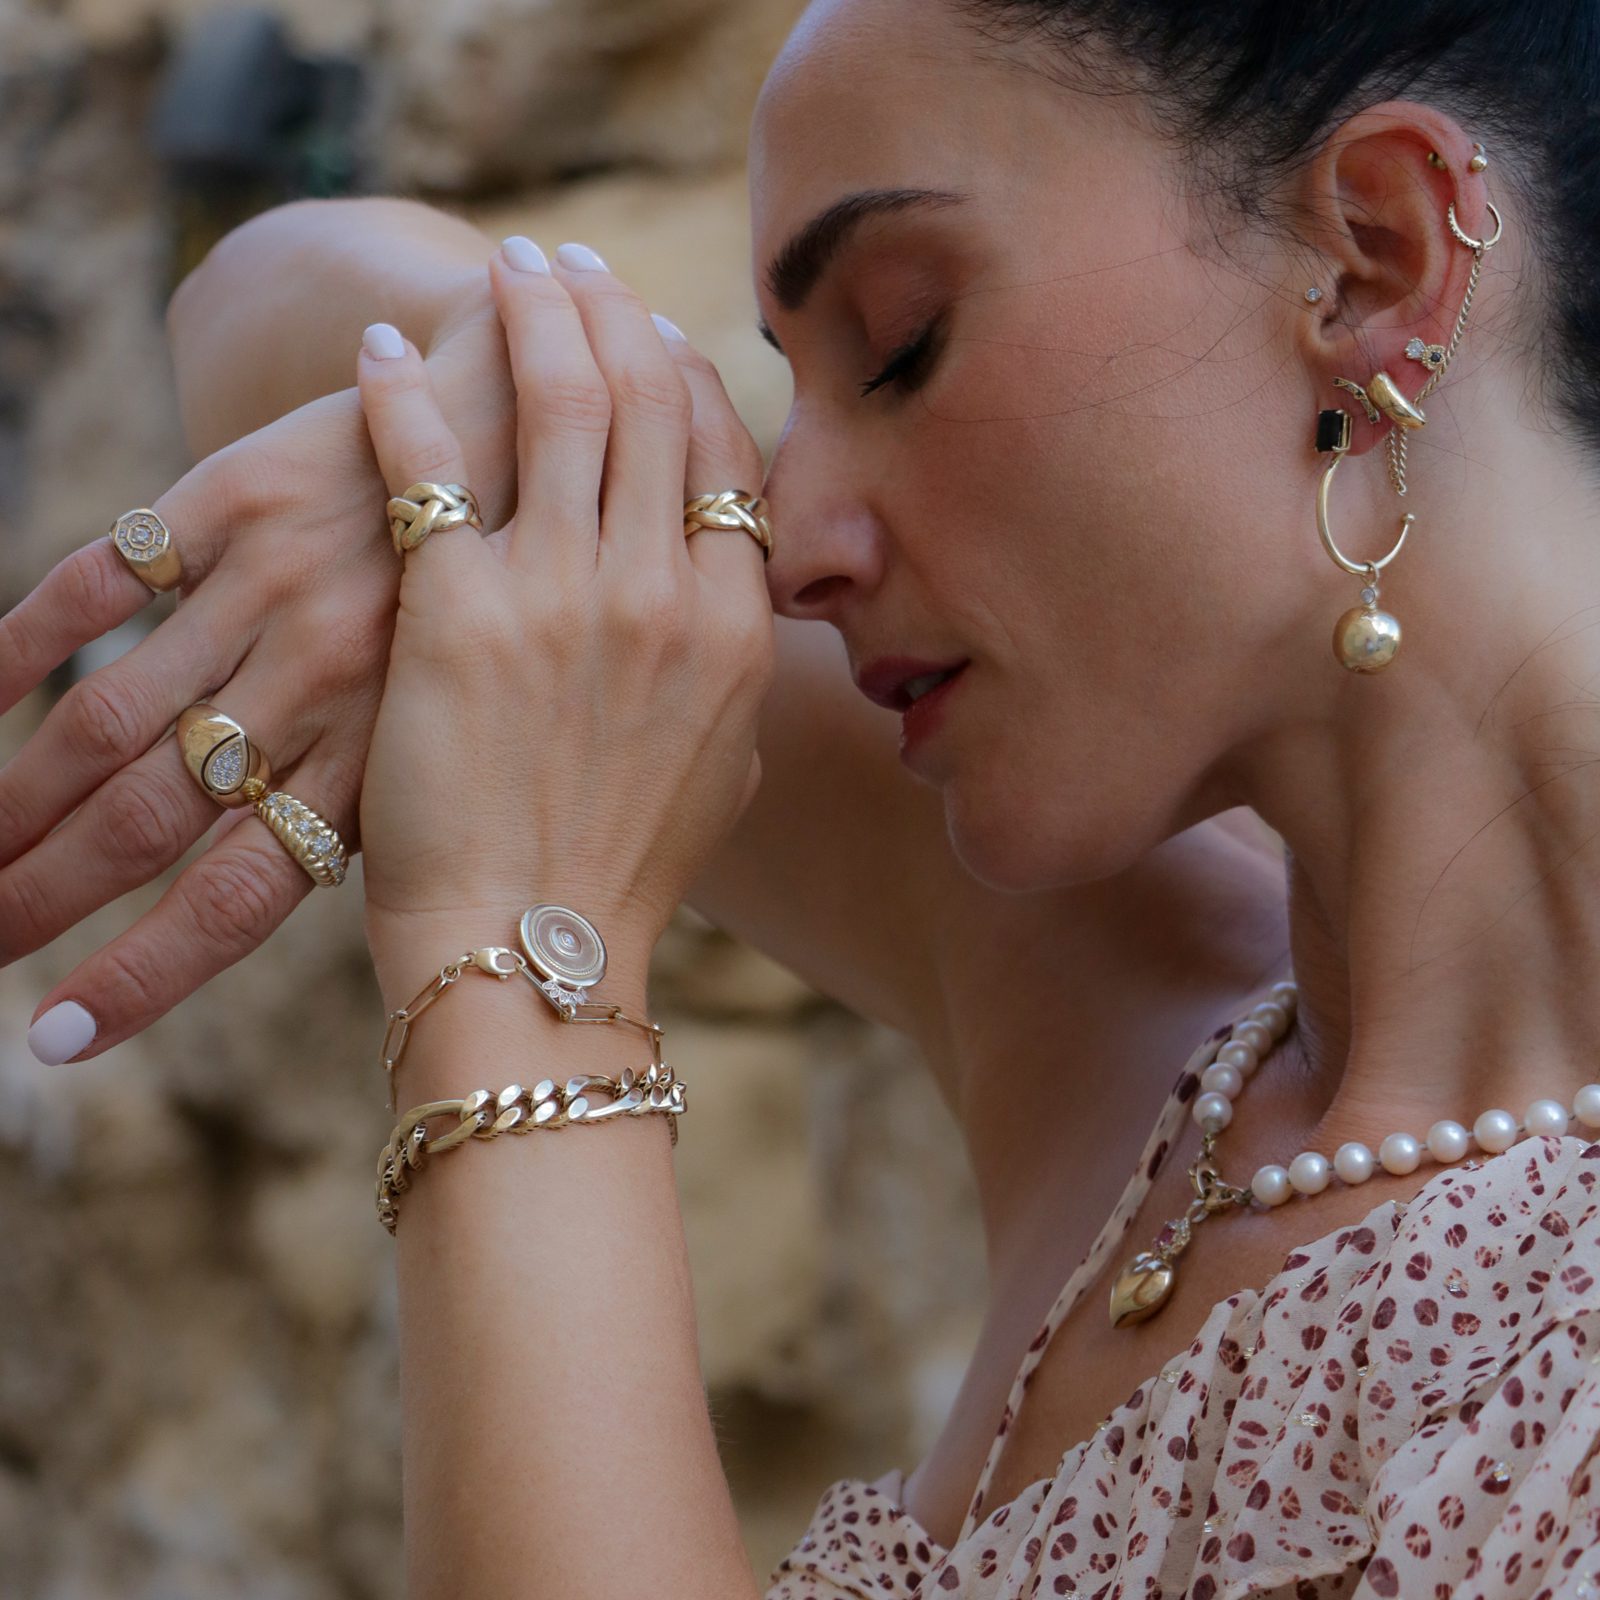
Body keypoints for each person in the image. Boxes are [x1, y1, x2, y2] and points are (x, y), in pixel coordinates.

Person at [4, 0, 1600, 1592]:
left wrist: (516, 935)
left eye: (900, 345)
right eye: (792, 390)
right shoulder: (1153, 1025)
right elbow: (255, 302)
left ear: (1373, 258)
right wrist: (541, 403)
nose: (792, 536)